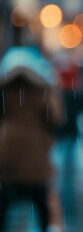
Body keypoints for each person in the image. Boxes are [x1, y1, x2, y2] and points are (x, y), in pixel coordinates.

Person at [0, 47, 64, 232]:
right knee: (40, 202)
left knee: (5, 201)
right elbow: (56, 118)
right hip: (36, 154)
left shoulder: (4, 89)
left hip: (7, 152)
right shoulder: (42, 91)